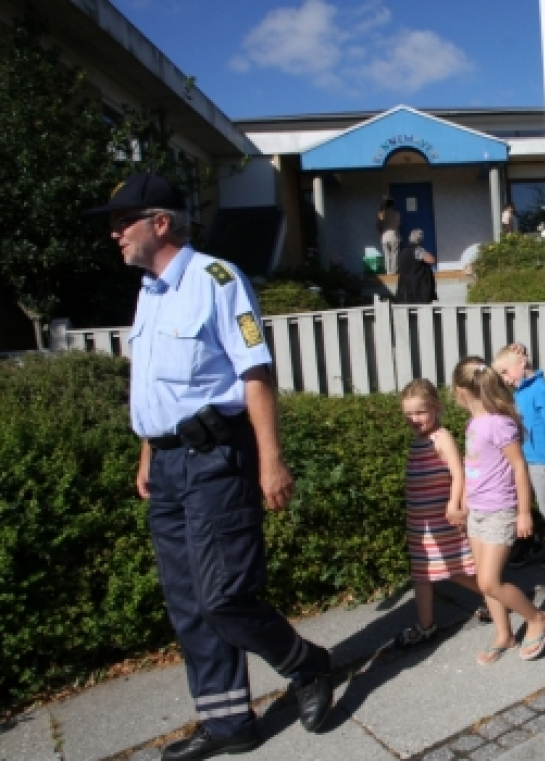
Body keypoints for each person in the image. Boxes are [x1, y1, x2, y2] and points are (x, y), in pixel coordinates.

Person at [84, 172, 334, 760]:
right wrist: (149, 450)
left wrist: (271, 461)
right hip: (169, 465)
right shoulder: (149, 290)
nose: (115, 233)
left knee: (224, 596)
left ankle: (309, 666)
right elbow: (160, 385)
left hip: (218, 460)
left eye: (123, 222)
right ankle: (228, 724)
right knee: (188, 602)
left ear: (161, 222)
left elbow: (255, 374)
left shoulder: (217, 281)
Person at [452, 358, 545, 664]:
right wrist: (465, 503)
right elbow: (474, 467)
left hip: (500, 509)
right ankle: (504, 635)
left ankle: (537, 618)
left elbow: (519, 467)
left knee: (488, 581)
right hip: (478, 511)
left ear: (460, 392)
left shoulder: (499, 422)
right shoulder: (474, 424)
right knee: (487, 579)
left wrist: (524, 512)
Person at [398, 379, 483, 647]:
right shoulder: (418, 439)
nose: (414, 419)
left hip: (442, 519)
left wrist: (454, 504)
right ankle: (426, 626)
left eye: (420, 412)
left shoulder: (441, 437)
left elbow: (459, 473)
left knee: (457, 570)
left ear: (436, 408)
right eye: (409, 414)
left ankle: (496, 596)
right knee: (422, 573)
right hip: (420, 523)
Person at [493, 344, 545, 566]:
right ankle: (530, 541)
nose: (505, 379)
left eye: (505, 372)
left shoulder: (539, 389)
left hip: (543, 458)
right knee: (523, 502)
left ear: (522, 364)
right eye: (501, 375)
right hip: (525, 456)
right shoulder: (519, 390)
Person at [395, 229, 438, 305]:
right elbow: (432, 260)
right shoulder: (418, 250)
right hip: (418, 288)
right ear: (420, 240)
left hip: (404, 289)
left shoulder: (403, 251)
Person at [377, 198, 401, 274]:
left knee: (387, 255)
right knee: (394, 254)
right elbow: (399, 224)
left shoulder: (382, 214)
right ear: (393, 205)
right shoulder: (397, 214)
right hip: (394, 236)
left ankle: (388, 272)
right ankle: (394, 271)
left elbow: (378, 225)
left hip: (384, 237)